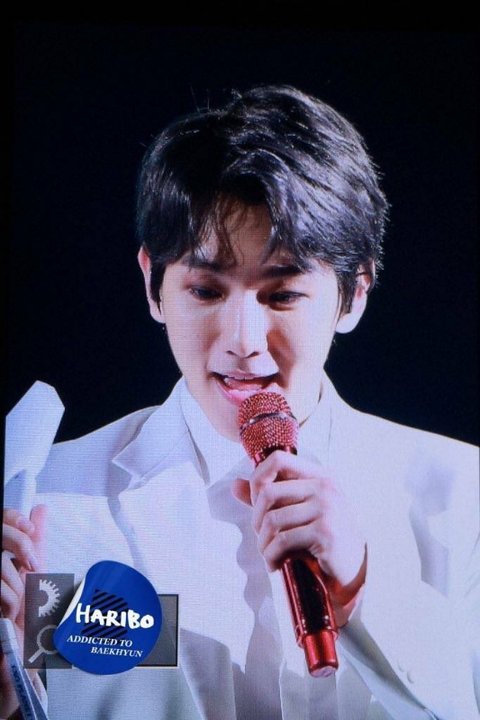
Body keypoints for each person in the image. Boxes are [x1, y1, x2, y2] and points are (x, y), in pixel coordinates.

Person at [2, 85, 479, 719]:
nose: (243, 341)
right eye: (205, 291)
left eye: (282, 296)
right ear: (153, 284)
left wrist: (363, 587)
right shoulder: (49, 501)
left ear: (355, 294)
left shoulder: (461, 495)